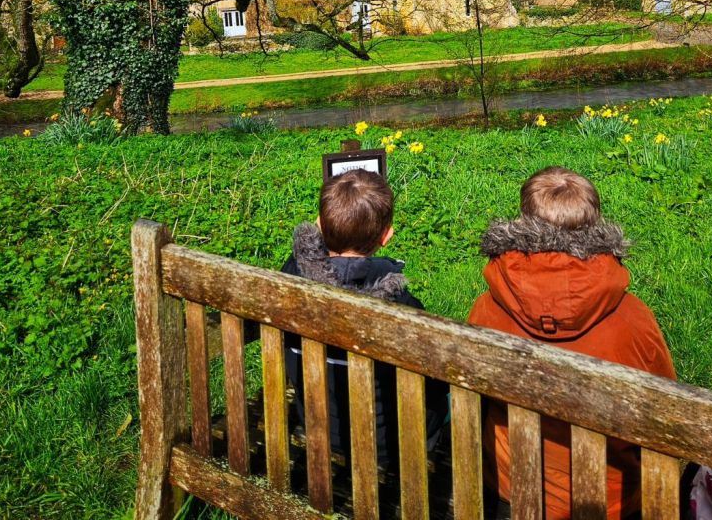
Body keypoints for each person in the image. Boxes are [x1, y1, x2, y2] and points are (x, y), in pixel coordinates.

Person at [468, 166, 676, 520]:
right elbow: (665, 414)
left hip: (512, 485)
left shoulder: (488, 308)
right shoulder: (633, 320)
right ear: (594, 226)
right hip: (609, 497)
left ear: (525, 224)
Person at [282, 168, 448, 468]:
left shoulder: (290, 280)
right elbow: (436, 372)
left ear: (319, 225)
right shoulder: (400, 305)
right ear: (387, 236)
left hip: (318, 426)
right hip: (387, 444)